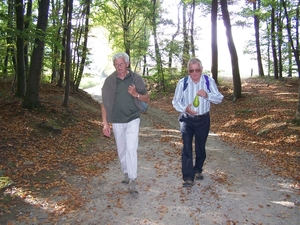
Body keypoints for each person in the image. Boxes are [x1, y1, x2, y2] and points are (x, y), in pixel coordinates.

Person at [101, 52, 150, 194]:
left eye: (121, 64)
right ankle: (126, 172)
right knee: (121, 149)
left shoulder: (135, 78)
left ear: (127, 64)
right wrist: (105, 124)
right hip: (116, 119)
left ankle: (133, 180)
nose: (119, 67)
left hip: (133, 118)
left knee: (131, 147)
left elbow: (147, 98)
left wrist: (136, 94)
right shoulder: (110, 81)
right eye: (116, 64)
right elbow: (104, 104)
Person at [172, 57, 223, 188]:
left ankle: (198, 169)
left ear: (201, 69)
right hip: (187, 120)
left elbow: (219, 98)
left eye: (197, 70)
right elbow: (175, 101)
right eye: (191, 70)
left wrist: (207, 95)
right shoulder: (182, 83)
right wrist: (185, 109)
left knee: (200, 147)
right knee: (187, 147)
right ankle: (188, 178)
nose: (194, 73)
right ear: (188, 71)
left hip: (203, 119)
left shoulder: (208, 81)